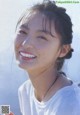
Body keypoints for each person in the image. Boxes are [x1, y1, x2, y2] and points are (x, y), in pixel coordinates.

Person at [14, 0, 80, 115]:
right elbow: (3, 107)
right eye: (23, 32)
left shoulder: (70, 105)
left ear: (63, 50)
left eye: (41, 37)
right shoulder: (25, 90)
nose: (25, 43)